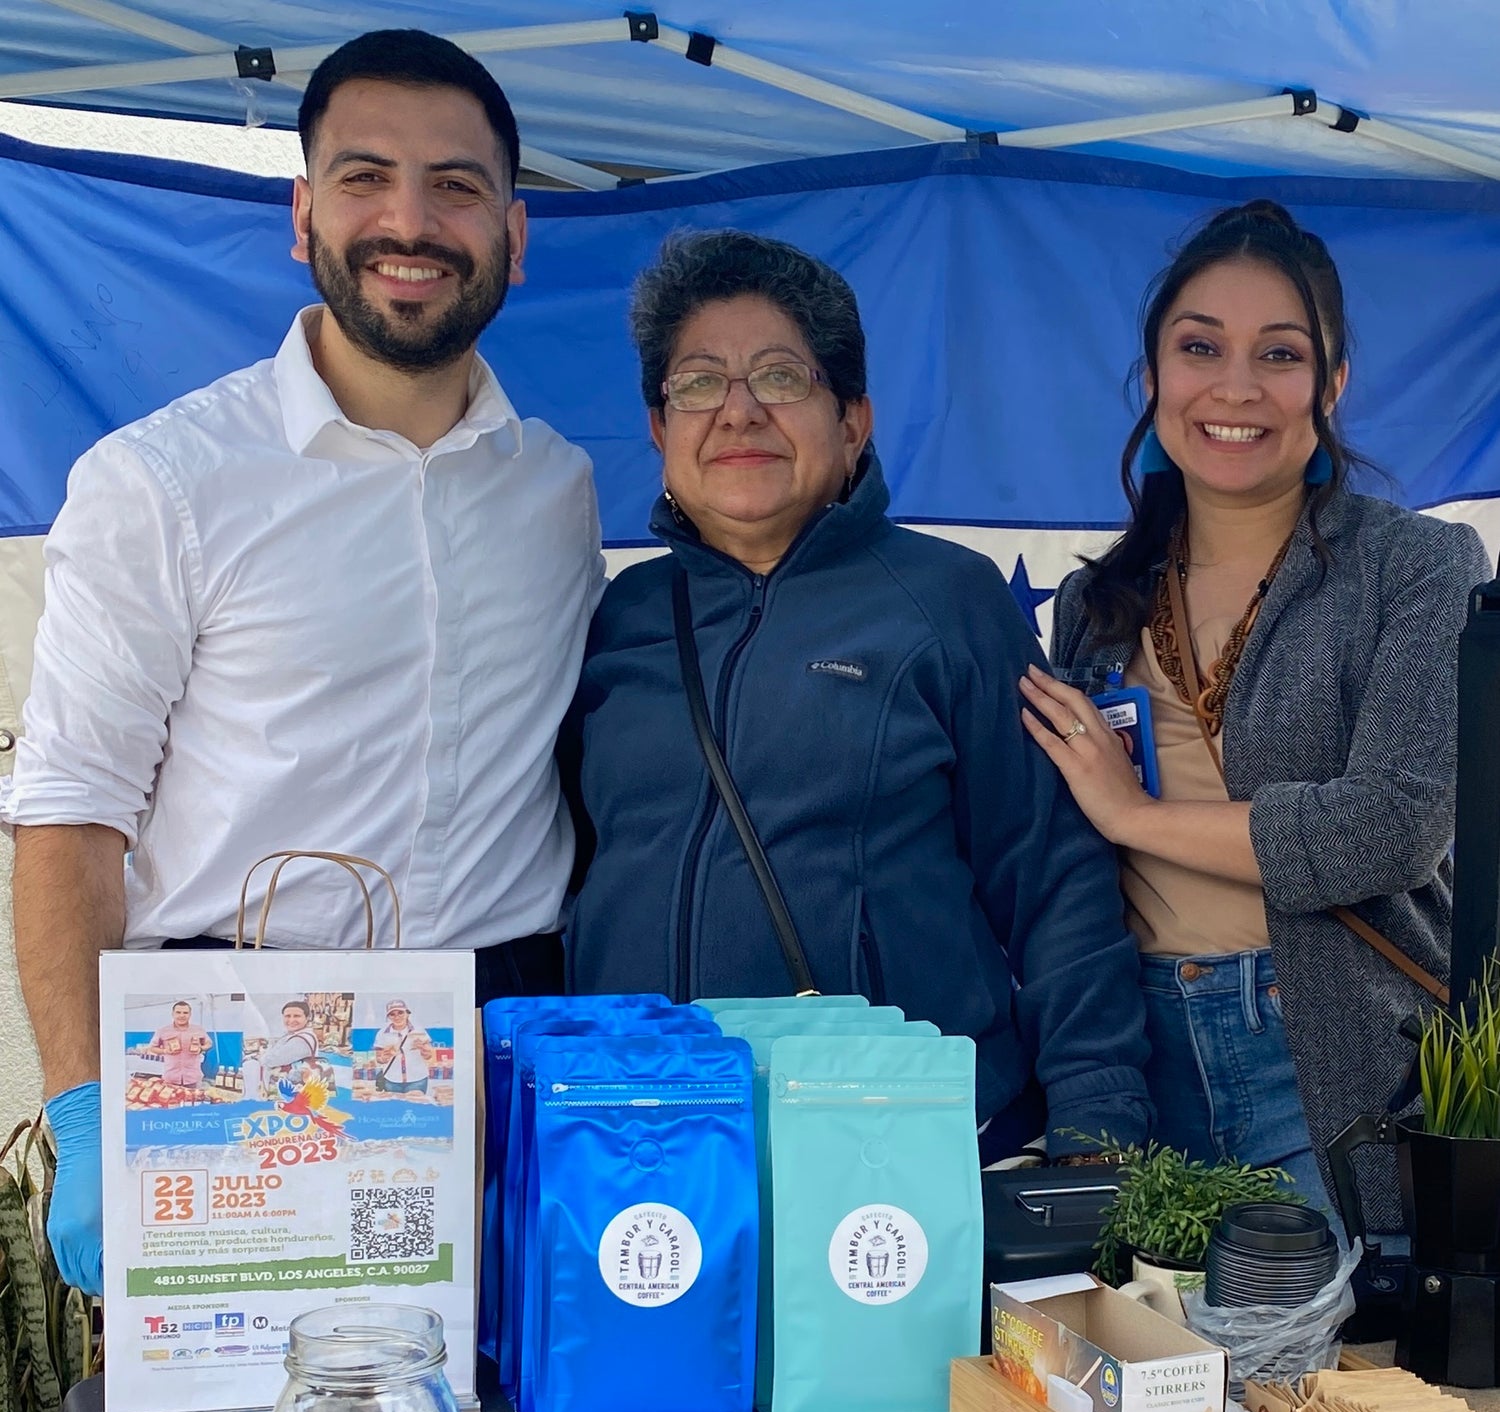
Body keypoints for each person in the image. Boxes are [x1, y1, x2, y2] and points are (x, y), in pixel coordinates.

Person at [1, 29, 604, 1296]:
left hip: (510, 1046)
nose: (410, 220)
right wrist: (91, 1113)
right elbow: (68, 817)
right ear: (301, 213)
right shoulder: (161, 485)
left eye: (457, 185)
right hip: (239, 1052)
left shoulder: (558, 489)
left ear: (514, 231)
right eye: (363, 176)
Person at [565, 229, 1151, 1163]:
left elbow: (1049, 880)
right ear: (658, 428)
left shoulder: (948, 601)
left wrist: (1096, 1122)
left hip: (886, 1152)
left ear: (853, 421)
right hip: (639, 1147)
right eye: (699, 383)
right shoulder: (617, 618)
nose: (739, 412)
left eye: (781, 378)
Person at [1024, 200, 1490, 1231]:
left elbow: (1392, 828)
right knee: (1149, 1382)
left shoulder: (1415, 566)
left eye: (1279, 353)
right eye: (1200, 348)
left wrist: (1134, 816)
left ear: (1330, 386)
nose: (1235, 387)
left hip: (1324, 1051)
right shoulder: (1093, 603)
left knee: (1331, 1383)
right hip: (1135, 1063)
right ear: (1153, 378)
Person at [372, 999, 435, 1096]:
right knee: (395, 1109)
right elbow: (379, 1059)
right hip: (392, 1080)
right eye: (392, 1014)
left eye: (400, 1012)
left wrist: (423, 1049)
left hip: (417, 1079)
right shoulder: (382, 1034)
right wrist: (383, 1058)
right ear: (388, 1017)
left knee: (415, 1108)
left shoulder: (418, 1031)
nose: (397, 1017)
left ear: (407, 1013)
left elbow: (429, 1056)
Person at [145, 1000, 211, 1089]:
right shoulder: (163, 1030)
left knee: (194, 1102)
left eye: (185, 1013)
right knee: (171, 1102)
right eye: (178, 1012)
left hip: (193, 1078)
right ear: (173, 1014)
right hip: (170, 1078)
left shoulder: (198, 1029)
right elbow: (152, 1048)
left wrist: (201, 1048)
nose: (182, 1015)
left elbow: (209, 1043)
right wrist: (165, 1051)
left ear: (190, 1014)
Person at [259, 1001, 322, 1077]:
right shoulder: (298, 1034)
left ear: (307, 1017)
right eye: (288, 1016)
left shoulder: (300, 1040)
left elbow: (270, 1061)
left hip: (295, 1086)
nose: (291, 1020)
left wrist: (260, 1057)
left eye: (297, 1016)